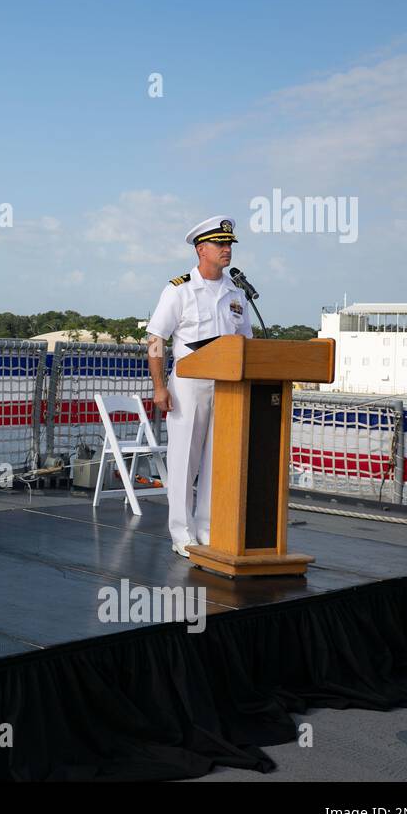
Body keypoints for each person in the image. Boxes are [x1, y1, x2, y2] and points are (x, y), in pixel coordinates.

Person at [145, 215, 253, 558]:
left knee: (215, 461)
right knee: (184, 461)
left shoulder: (236, 292)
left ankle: (207, 528)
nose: (227, 250)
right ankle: (182, 532)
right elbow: (156, 338)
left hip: (227, 385)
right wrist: (159, 387)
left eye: (229, 244)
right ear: (200, 249)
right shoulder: (179, 288)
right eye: (220, 244)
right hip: (189, 383)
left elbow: (246, 340)